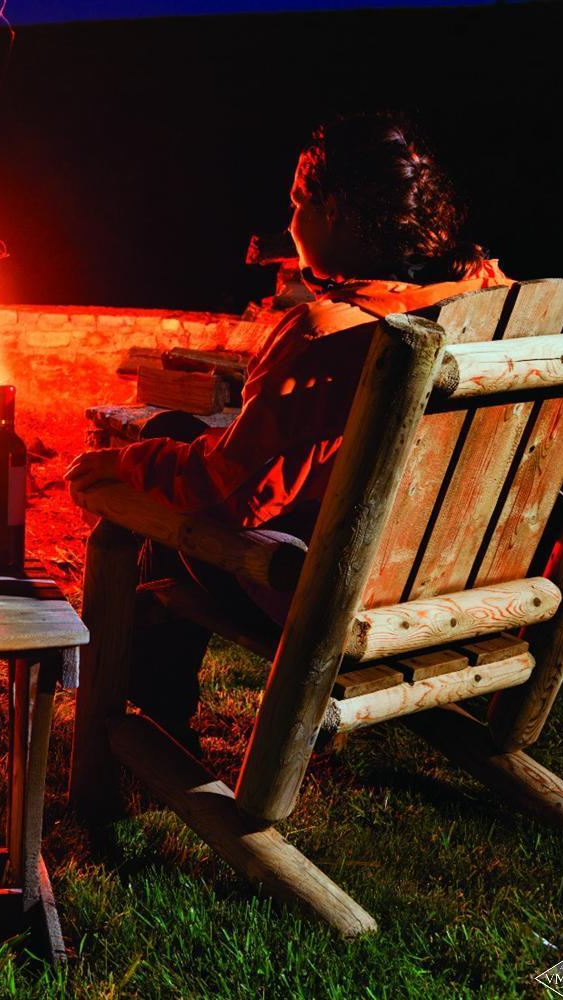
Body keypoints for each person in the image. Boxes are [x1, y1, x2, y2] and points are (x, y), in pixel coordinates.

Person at [64, 112, 510, 751]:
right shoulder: (492, 299)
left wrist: (125, 464)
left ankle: (154, 726)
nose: (291, 220)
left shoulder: (329, 335)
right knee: (174, 430)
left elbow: (230, 495)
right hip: (469, 586)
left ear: (335, 212)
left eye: (299, 202)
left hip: (346, 603)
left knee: (164, 495)